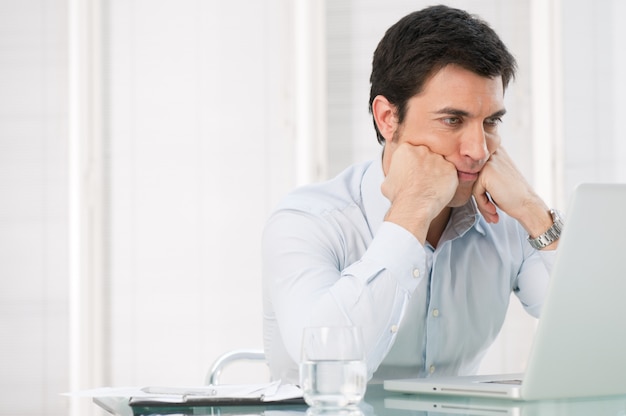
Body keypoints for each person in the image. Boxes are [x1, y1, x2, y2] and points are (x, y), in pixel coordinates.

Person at [262, 5, 562, 384]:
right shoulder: (306, 221)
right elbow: (328, 367)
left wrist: (534, 212)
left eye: (490, 122)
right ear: (388, 118)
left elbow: (597, 331)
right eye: (452, 120)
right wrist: (412, 212)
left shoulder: (506, 219)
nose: (478, 149)